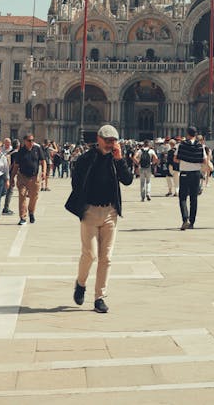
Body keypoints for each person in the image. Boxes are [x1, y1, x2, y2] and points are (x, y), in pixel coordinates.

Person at [69, 124, 134, 313]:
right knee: (90, 254)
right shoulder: (86, 159)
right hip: (90, 211)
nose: (110, 144)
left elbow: (128, 180)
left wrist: (120, 160)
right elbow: (76, 182)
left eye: (113, 141)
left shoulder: (116, 159)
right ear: (98, 139)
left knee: (106, 258)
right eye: (107, 141)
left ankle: (100, 297)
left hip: (110, 212)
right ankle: (80, 283)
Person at [13, 134, 47, 225]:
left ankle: (31, 212)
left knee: (34, 196)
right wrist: (12, 177)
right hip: (22, 177)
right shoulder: (21, 151)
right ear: (24, 141)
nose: (31, 142)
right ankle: (23, 217)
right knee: (22, 195)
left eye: (32, 140)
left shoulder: (37, 149)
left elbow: (43, 161)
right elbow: (16, 165)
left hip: (34, 177)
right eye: (29, 140)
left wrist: (43, 171)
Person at [176, 126, 205, 230]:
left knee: (183, 197)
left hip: (184, 174)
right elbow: (204, 160)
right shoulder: (200, 146)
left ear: (187, 134)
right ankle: (192, 223)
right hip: (196, 174)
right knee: (194, 198)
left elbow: (176, 159)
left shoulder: (181, 145)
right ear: (196, 134)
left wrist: (185, 159)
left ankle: (185, 219)